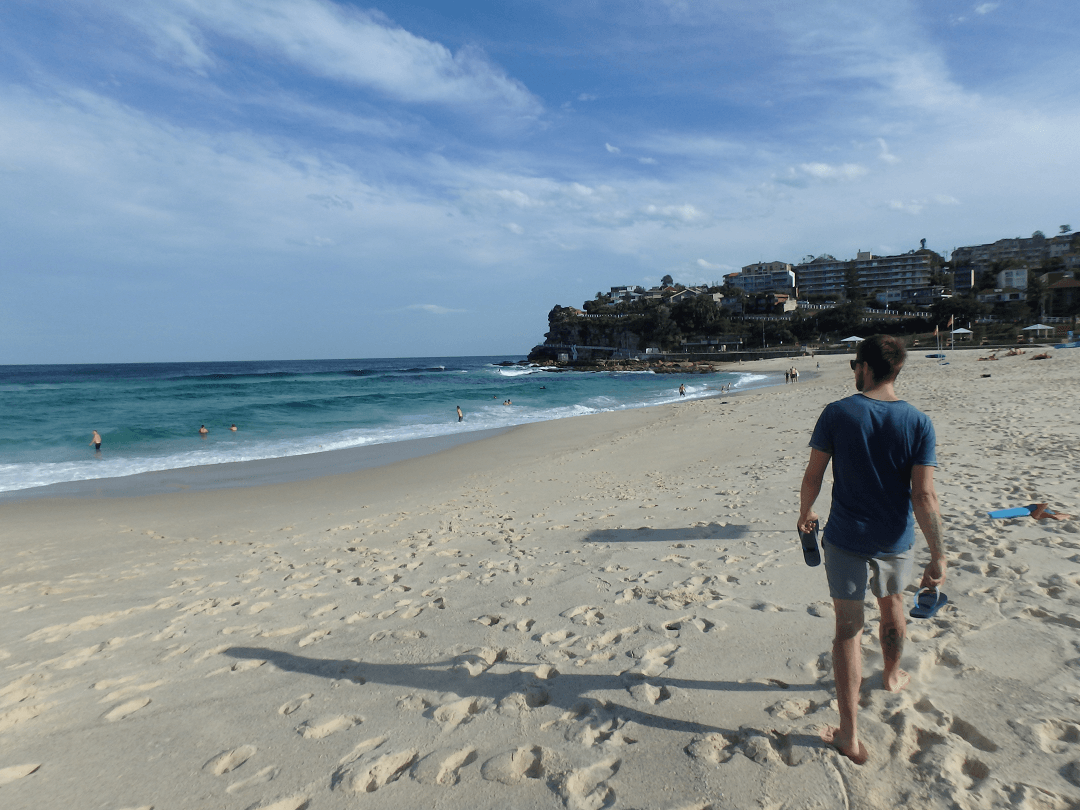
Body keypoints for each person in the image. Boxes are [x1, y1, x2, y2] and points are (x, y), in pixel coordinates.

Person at [797, 334, 946, 765]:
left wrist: (806, 511)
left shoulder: (838, 413)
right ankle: (892, 675)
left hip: (845, 537)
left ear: (864, 366)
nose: (854, 372)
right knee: (892, 606)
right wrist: (938, 553)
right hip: (894, 538)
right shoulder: (918, 422)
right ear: (897, 370)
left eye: (854, 365)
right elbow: (924, 495)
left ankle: (849, 734)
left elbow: (814, 475)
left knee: (848, 628)